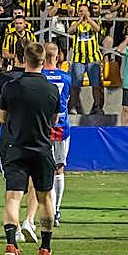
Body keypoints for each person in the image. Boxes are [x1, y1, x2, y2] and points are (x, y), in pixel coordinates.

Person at [0, 41, 61, 255]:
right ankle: (45, 248)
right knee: (45, 198)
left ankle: (11, 244)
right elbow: (54, 120)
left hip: (16, 147)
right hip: (42, 148)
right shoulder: (52, 89)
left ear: (24, 59)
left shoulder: (10, 87)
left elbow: (2, 118)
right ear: (43, 61)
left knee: (13, 197)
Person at [39, 43, 73, 226]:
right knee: (58, 169)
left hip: (41, 127)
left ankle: (48, 210)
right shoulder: (66, 77)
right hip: (61, 126)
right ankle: (56, 211)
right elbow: (66, 101)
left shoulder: (39, 76)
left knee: (44, 170)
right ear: (59, 56)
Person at [68, 3, 104, 115]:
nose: (82, 13)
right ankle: (73, 106)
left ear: (89, 12)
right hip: (78, 59)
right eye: (80, 11)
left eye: (84, 11)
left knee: (96, 85)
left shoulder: (94, 22)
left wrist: (88, 19)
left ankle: (97, 106)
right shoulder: (75, 23)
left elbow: (97, 29)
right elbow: (70, 31)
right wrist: (79, 21)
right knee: (75, 84)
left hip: (93, 59)